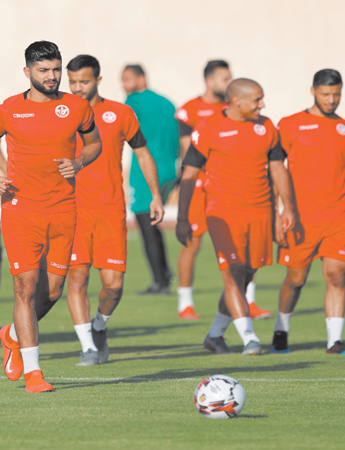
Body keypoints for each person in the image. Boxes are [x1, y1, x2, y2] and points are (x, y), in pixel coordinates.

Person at [0, 41, 102, 393]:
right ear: (27, 71)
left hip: (63, 209)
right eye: (44, 70)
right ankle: (34, 373)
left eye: (56, 69)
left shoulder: (77, 107)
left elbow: (94, 143)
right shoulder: (7, 110)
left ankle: (12, 336)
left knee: (53, 291)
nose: (52, 76)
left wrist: (79, 161)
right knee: (25, 287)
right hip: (20, 209)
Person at [176, 78, 295, 356]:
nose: (262, 105)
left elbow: (278, 168)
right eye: (257, 99)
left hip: (261, 211)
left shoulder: (267, 127)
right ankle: (250, 338)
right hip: (223, 213)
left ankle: (215, 335)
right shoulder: (208, 128)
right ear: (237, 101)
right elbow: (189, 174)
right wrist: (182, 218)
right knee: (232, 274)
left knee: (245, 276)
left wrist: (287, 207)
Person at [65, 55, 164, 366]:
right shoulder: (60, 114)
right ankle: (88, 347)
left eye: (84, 81)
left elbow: (143, 154)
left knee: (113, 285)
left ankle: (99, 326)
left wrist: (156, 195)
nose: (77, 88)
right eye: (72, 82)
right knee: (77, 278)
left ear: (98, 80)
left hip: (110, 209)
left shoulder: (121, 113)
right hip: (72, 211)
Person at [272, 69, 345, 355]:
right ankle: (281, 330)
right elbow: (276, 169)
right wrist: (277, 211)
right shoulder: (289, 125)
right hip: (301, 219)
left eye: (337, 94)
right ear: (313, 91)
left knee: (337, 276)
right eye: (326, 94)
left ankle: (334, 341)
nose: (331, 100)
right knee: (295, 280)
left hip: (340, 216)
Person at [175, 60, 230, 320]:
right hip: (199, 185)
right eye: (224, 79)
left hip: (227, 185)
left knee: (238, 244)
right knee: (192, 243)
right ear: (210, 81)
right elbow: (190, 154)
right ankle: (185, 304)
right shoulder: (189, 110)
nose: (229, 83)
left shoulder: (233, 108)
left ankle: (248, 301)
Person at [122, 65, 177, 294]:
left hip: (146, 169)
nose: (124, 85)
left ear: (141, 78)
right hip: (169, 167)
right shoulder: (167, 103)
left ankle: (159, 282)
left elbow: (123, 130)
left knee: (146, 223)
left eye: (127, 79)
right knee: (154, 222)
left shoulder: (133, 102)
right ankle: (165, 274)